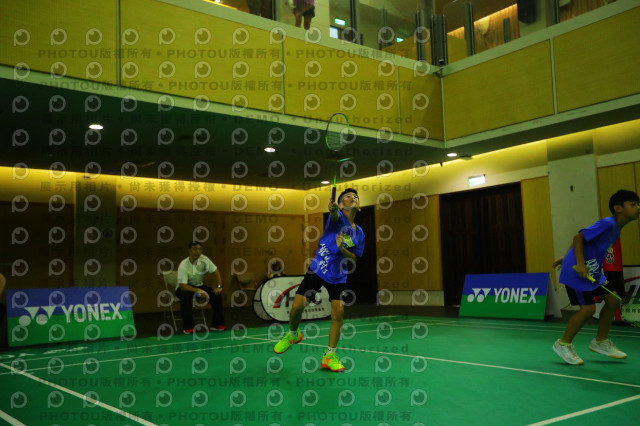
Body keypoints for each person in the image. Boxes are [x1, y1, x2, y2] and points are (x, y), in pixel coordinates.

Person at [273, 188, 365, 372]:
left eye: (355, 197)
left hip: (338, 275)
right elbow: (334, 214)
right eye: (348, 197)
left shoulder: (360, 234)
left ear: (359, 206)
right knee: (297, 307)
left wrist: (342, 249)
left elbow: (354, 258)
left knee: (338, 313)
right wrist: (332, 209)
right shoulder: (337, 217)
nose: (353, 198)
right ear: (340, 205)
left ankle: (329, 356)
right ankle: (293, 334)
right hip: (319, 268)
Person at [552, 190, 640, 365]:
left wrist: (567, 255)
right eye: (633, 204)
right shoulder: (608, 223)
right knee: (588, 309)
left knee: (614, 299)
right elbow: (578, 237)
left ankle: (600, 341)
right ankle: (563, 344)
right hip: (577, 272)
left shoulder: (615, 229)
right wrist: (578, 262)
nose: (638, 207)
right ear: (618, 208)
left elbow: (584, 238)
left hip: (593, 270)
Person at [176, 241, 226, 333]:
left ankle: (217, 324)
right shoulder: (183, 265)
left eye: (200, 249)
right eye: (195, 249)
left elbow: (215, 271)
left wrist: (219, 286)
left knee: (216, 295)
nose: (197, 251)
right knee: (185, 296)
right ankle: (188, 327)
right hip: (185, 288)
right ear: (189, 251)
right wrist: (198, 290)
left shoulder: (204, 259)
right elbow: (183, 286)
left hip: (199, 286)